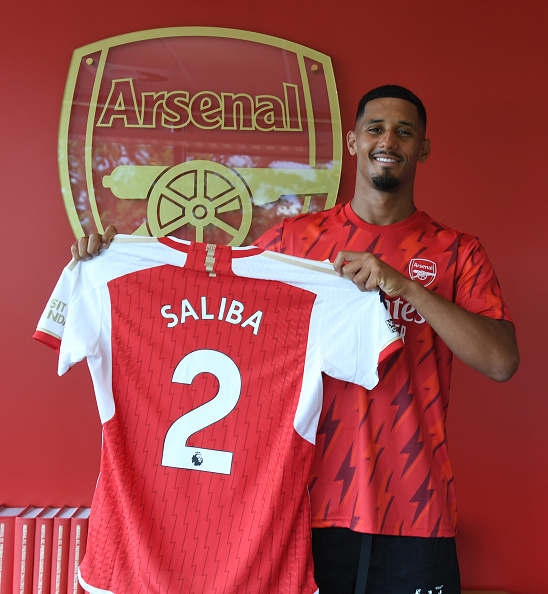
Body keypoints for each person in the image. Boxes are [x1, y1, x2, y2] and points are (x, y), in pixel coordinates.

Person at [72, 85, 519, 594]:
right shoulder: (295, 242)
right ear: (353, 142)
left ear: (424, 148)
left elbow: (501, 361)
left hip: (415, 507)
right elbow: (209, 296)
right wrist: (115, 262)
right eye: (375, 129)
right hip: (301, 506)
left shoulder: (457, 251)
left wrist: (406, 288)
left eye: (404, 131)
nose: (388, 141)